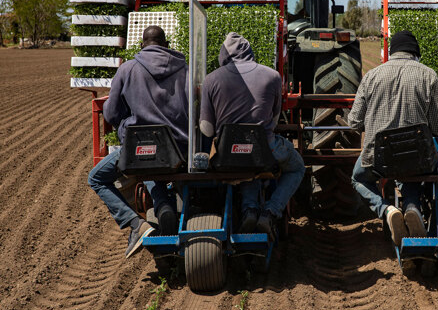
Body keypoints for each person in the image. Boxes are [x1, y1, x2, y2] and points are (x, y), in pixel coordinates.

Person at [88, 26, 189, 258]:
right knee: (154, 158)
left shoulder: (127, 69)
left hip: (140, 147)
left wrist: (127, 125)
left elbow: (111, 114)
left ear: (142, 45)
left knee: (97, 178)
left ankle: (137, 224)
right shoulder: (184, 68)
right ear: (166, 44)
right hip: (179, 148)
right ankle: (165, 206)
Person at [199, 32, 304, 241]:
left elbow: (206, 129)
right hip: (264, 150)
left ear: (223, 55)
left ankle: (249, 210)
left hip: (226, 154)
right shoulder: (273, 76)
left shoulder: (210, 79)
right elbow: (274, 121)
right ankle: (270, 211)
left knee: (243, 162)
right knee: (296, 167)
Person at [348, 30, 438, 246]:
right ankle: (412, 207)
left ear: (391, 52)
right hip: (418, 157)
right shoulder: (429, 75)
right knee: (413, 169)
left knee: (358, 178)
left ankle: (387, 209)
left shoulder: (371, 76)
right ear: (415, 53)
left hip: (379, 158)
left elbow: (354, 122)